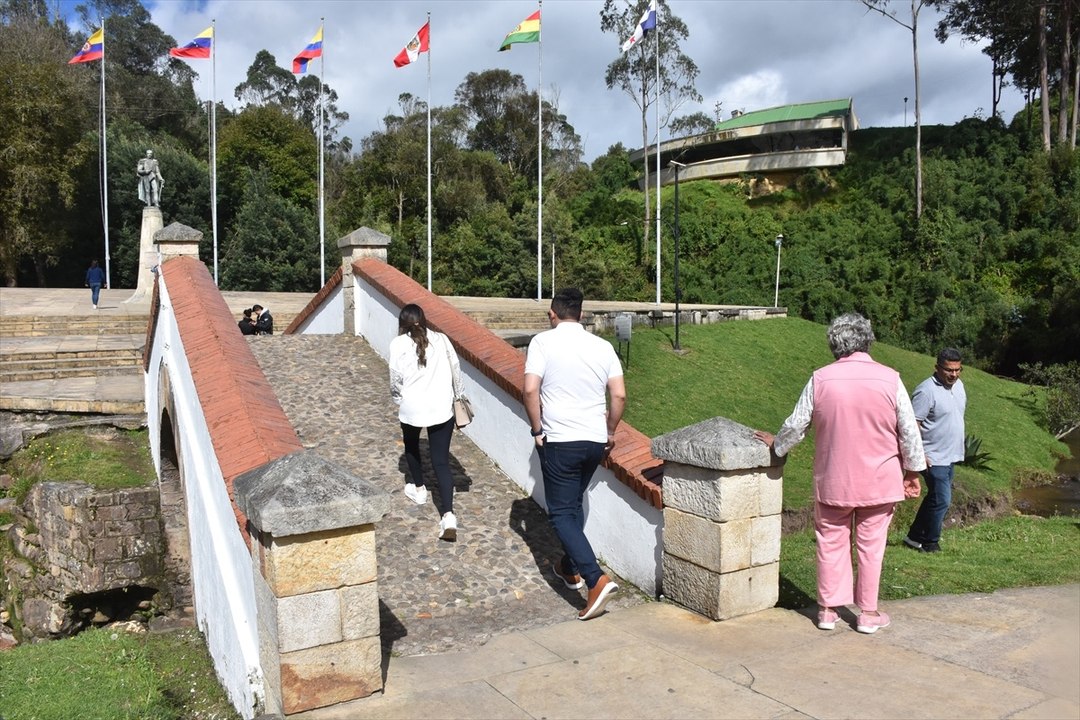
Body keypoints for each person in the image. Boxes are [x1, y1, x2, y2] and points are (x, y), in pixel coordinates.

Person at [754, 313, 924, 634]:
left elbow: (796, 425)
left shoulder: (821, 379)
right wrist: (913, 472)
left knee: (830, 542)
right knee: (872, 546)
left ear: (834, 344)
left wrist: (778, 446)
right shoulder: (890, 379)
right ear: (868, 340)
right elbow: (909, 432)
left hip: (834, 480)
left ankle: (828, 611)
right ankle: (869, 614)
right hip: (880, 481)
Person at [523, 288, 627, 621]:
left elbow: (529, 389)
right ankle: (569, 568)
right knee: (574, 503)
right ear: (581, 315)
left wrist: (537, 429)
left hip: (560, 439)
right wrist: (610, 431)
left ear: (552, 314)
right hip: (594, 441)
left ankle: (595, 579)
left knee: (560, 513)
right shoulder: (603, 346)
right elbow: (620, 396)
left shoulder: (542, 342)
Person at [389, 303, 463, 540]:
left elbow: (395, 377)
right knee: (441, 461)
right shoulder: (441, 339)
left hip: (412, 406)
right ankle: (448, 515)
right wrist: (458, 396)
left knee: (411, 446)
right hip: (441, 407)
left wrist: (399, 398)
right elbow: (456, 368)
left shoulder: (398, 344)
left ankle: (419, 489)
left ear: (403, 323)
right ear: (424, 318)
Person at [904, 348, 967, 554]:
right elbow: (913, 424)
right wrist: (919, 453)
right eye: (949, 370)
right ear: (937, 368)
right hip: (932, 456)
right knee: (942, 499)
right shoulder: (926, 390)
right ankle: (931, 542)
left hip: (950, 455)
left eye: (958, 370)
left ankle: (914, 537)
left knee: (935, 497)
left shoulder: (959, 387)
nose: (954, 375)